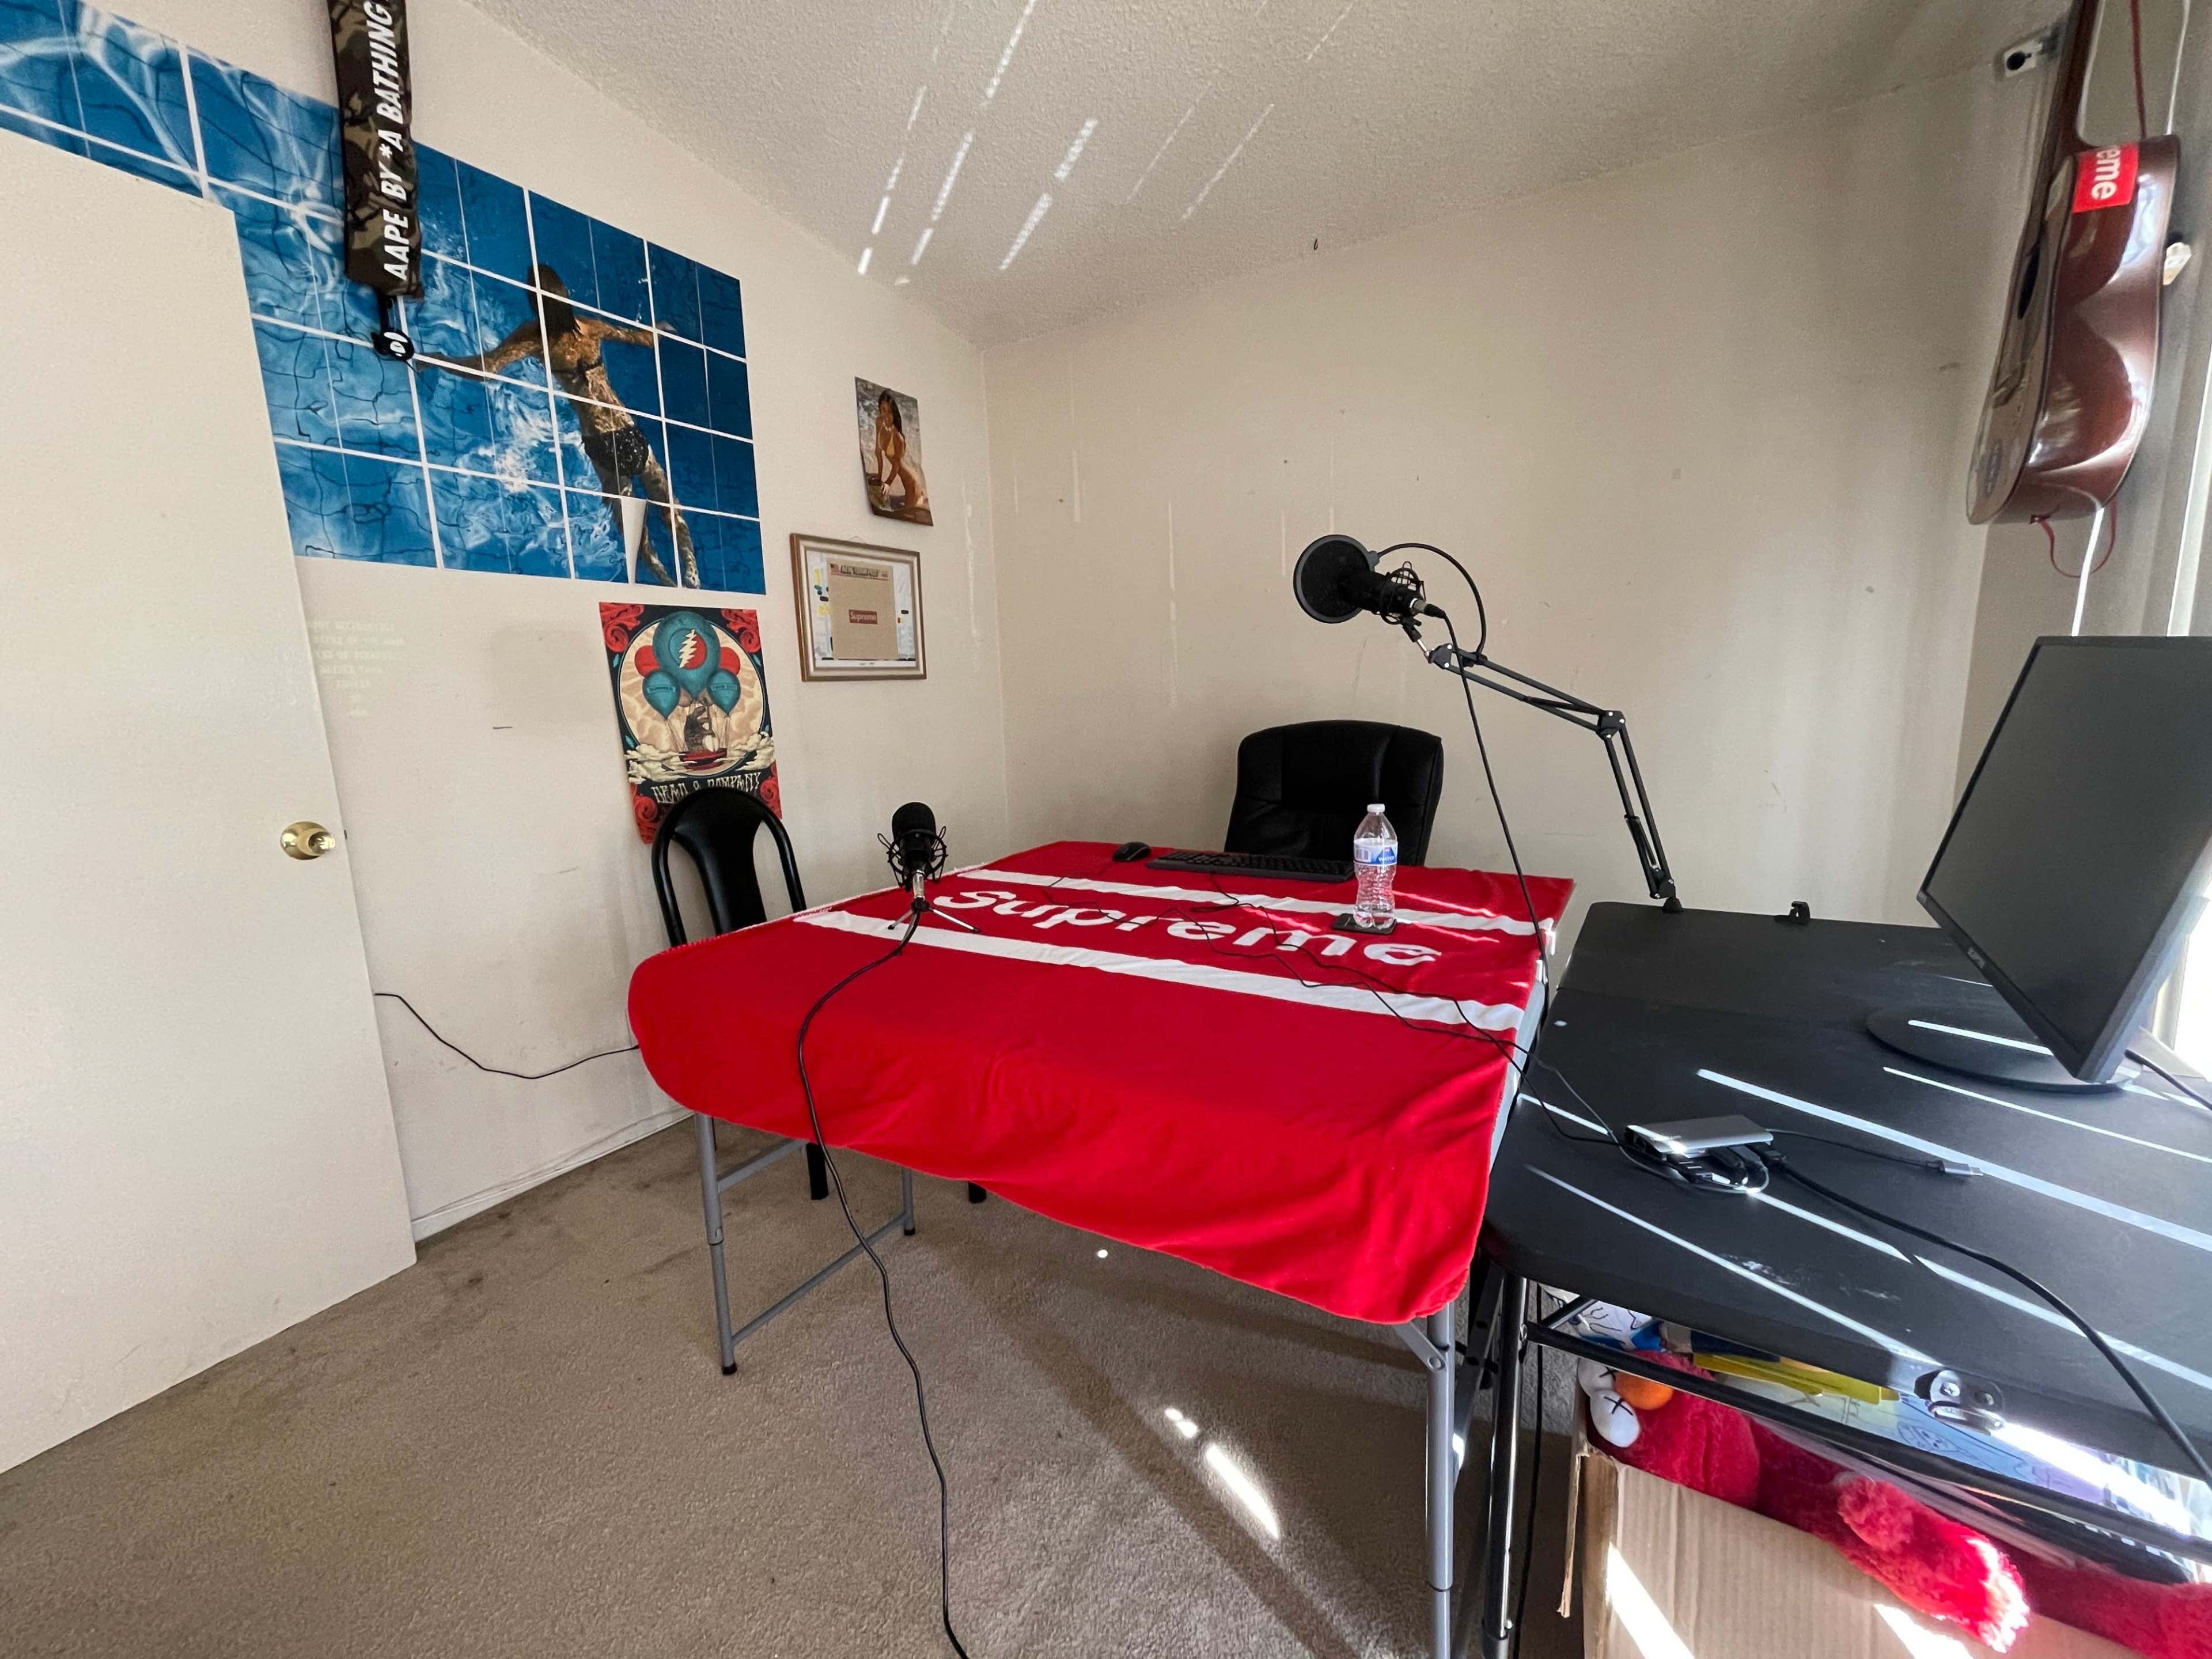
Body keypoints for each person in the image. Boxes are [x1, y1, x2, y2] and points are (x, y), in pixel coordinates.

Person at [440, 264, 696, 586]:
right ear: (566, 298)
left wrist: (440, 359)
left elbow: (486, 368)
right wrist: (655, 330)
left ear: (535, 303)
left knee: (631, 519)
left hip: (600, 440)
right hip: (629, 432)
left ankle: (663, 579)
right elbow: (639, 338)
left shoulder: (535, 337)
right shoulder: (591, 328)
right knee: (666, 500)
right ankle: (691, 571)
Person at [871, 387, 929, 520]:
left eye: (890, 412)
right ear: (880, 409)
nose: (886, 415)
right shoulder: (879, 422)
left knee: (909, 519)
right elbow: (878, 451)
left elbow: (897, 465)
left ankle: (920, 497)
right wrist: (879, 477)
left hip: (911, 483)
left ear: (895, 414)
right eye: (883, 410)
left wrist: (888, 483)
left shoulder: (898, 437)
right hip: (905, 483)